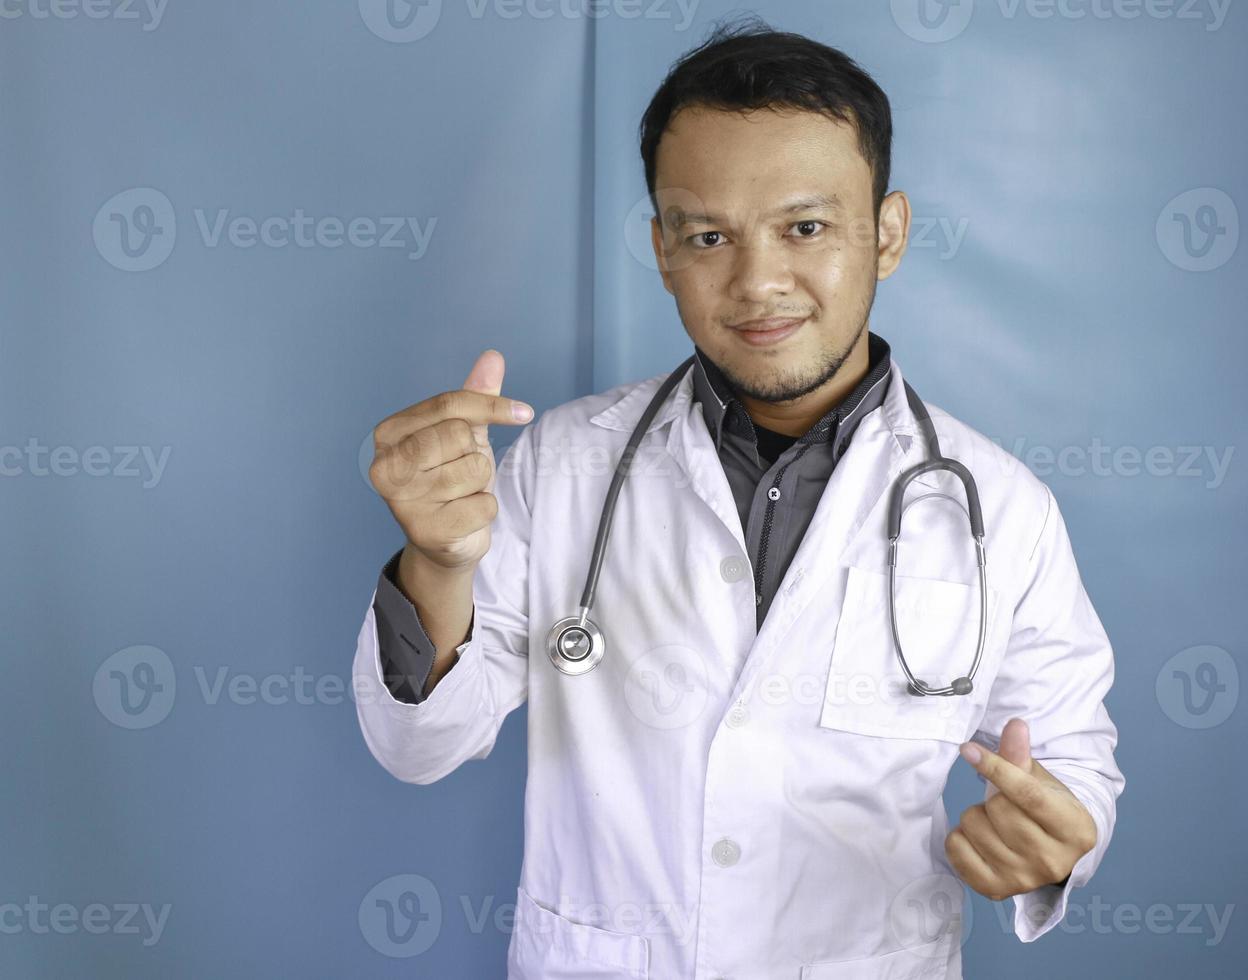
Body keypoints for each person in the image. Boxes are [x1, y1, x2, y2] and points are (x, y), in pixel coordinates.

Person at [354, 18, 1123, 979]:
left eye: (806, 227)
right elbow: (420, 746)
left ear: (887, 235)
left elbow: (1070, 762)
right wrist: (435, 565)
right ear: (663, 249)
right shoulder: (560, 466)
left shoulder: (1000, 509)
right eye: (709, 235)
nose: (758, 283)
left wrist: (1060, 838)